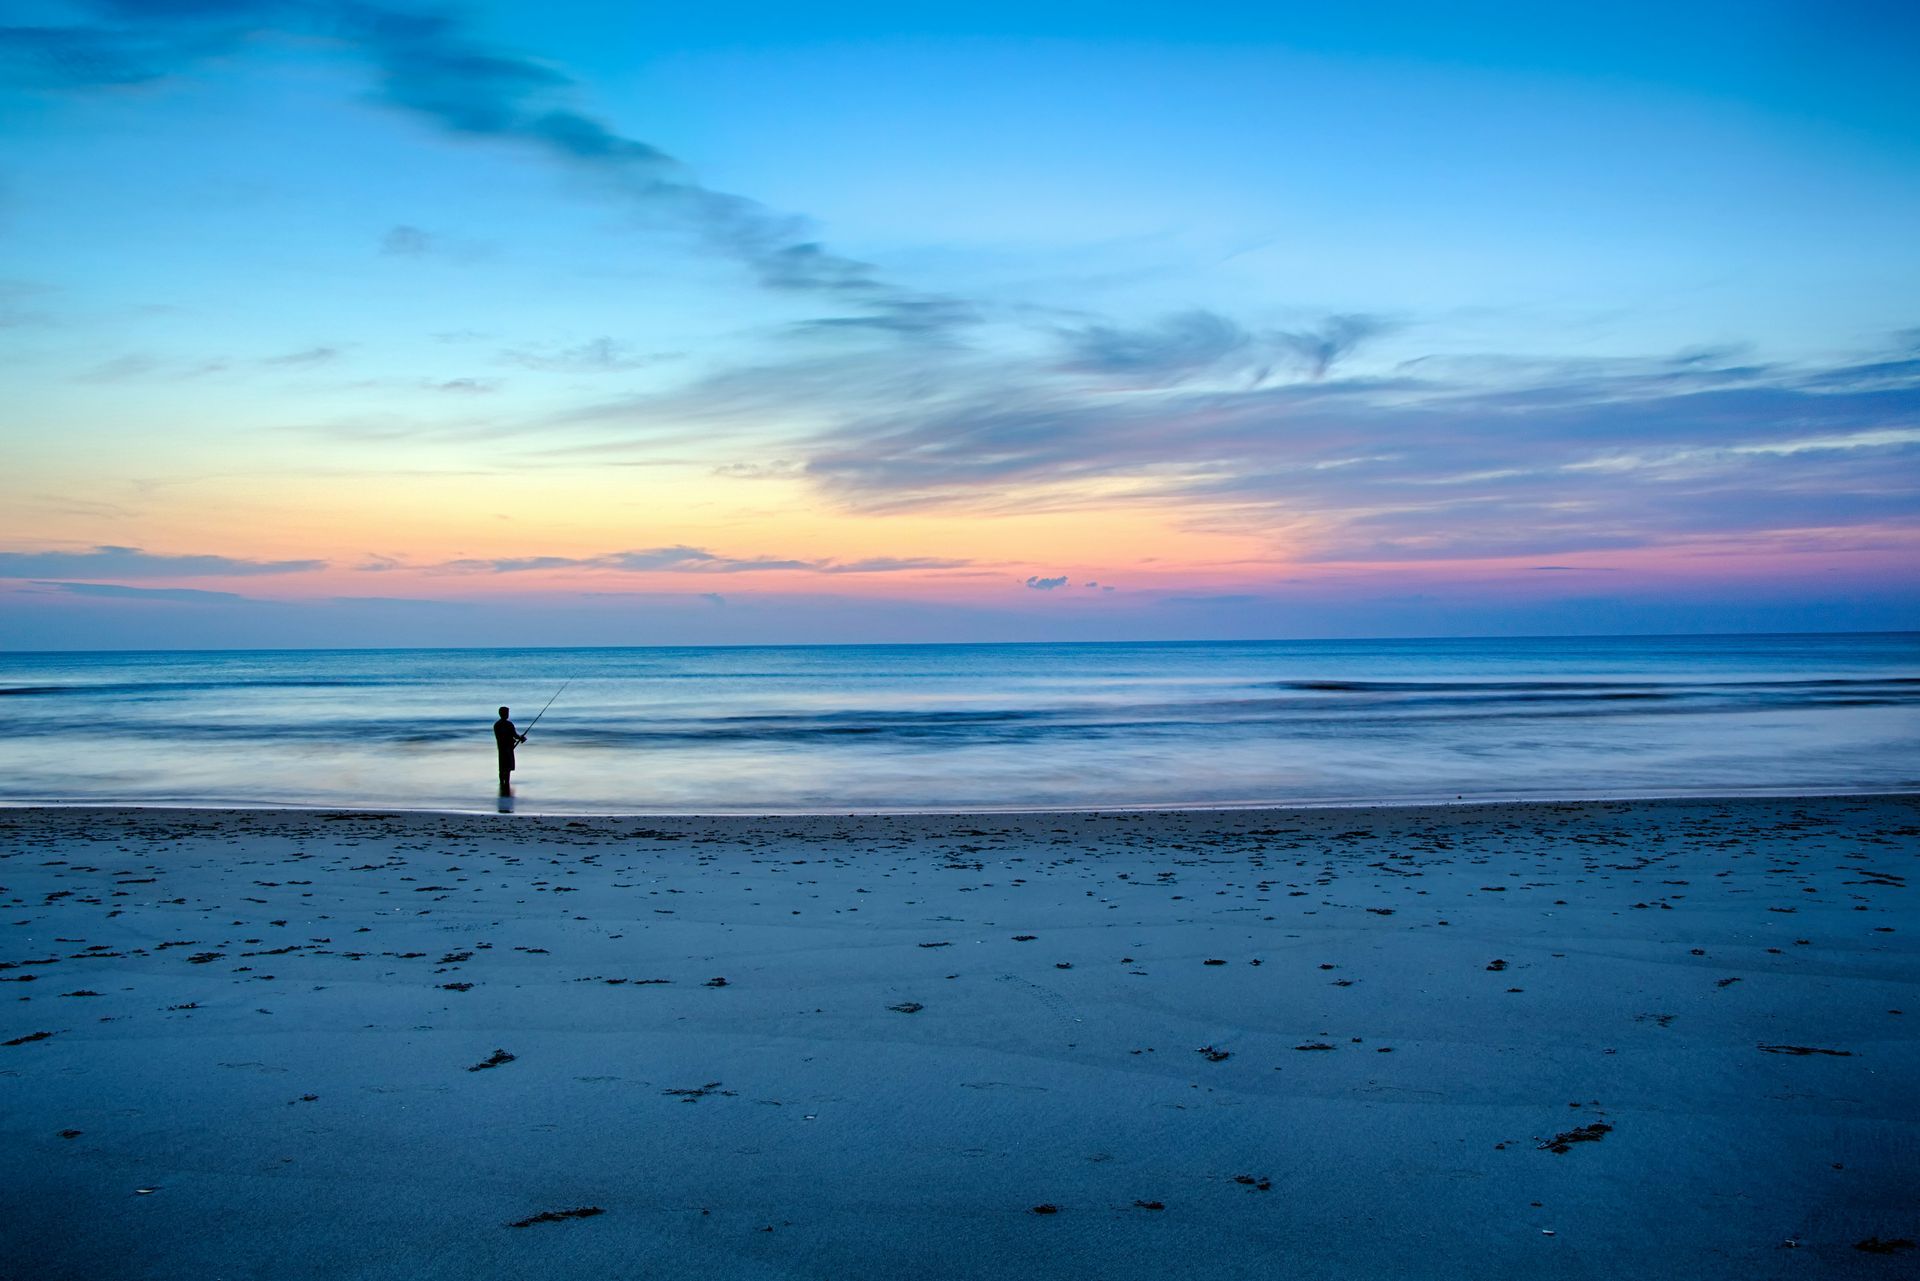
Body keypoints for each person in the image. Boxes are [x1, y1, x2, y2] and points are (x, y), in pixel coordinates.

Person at [493, 705, 526, 792]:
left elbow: (502, 737)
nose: (508, 714)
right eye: (507, 712)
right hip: (508, 749)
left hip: (501, 749)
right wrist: (521, 738)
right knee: (507, 769)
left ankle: (502, 785)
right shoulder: (509, 724)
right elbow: (514, 735)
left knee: (502, 768)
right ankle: (506, 785)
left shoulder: (496, 725)